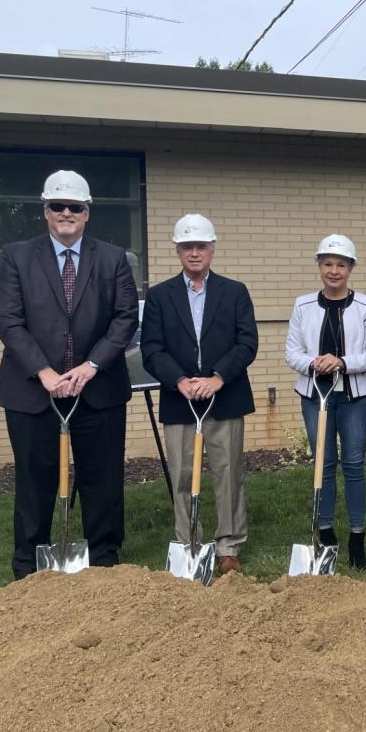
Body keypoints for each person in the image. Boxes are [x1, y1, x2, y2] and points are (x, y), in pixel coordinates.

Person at [0, 169, 138, 579]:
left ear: (88, 212)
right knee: (34, 479)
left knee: (102, 479)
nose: (67, 213)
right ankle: (29, 567)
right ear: (46, 211)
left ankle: (104, 559)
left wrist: (91, 366)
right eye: (59, 206)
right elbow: (8, 320)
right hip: (33, 390)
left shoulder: (113, 259)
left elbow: (125, 319)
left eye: (76, 206)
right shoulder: (17, 257)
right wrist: (44, 371)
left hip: (99, 388)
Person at [140, 214, 258, 575]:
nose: (194, 253)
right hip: (180, 399)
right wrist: (179, 381)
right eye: (187, 247)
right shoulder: (160, 296)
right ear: (178, 251)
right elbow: (152, 348)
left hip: (226, 396)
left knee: (228, 472)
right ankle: (189, 540)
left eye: (201, 247)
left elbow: (246, 342)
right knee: (180, 474)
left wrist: (218, 378)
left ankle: (228, 546)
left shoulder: (234, 291)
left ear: (212, 250)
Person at [285, 234, 366, 570]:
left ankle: (357, 535)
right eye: (327, 264)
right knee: (323, 465)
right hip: (315, 397)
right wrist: (314, 362)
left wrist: (341, 362)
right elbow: (291, 353)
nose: (334, 270)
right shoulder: (302, 305)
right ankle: (325, 533)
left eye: (341, 264)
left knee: (354, 465)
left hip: (354, 398)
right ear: (319, 267)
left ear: (351, 268)